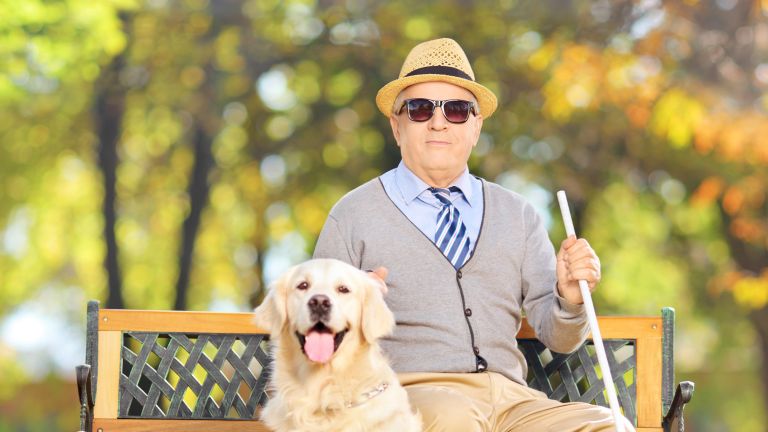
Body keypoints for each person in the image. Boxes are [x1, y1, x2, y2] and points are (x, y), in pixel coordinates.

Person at [313, 37, 634, 432]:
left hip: (513, 403)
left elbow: (560, 338)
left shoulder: (518, 214)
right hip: (405, 396)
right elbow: (314, 336)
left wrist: (570, 298)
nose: (438, 121)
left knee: (607, 425)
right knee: (455, 417)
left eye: (458, 109)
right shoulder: (353, 215)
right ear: (396, 126)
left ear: (476, 126)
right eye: (419, 109)